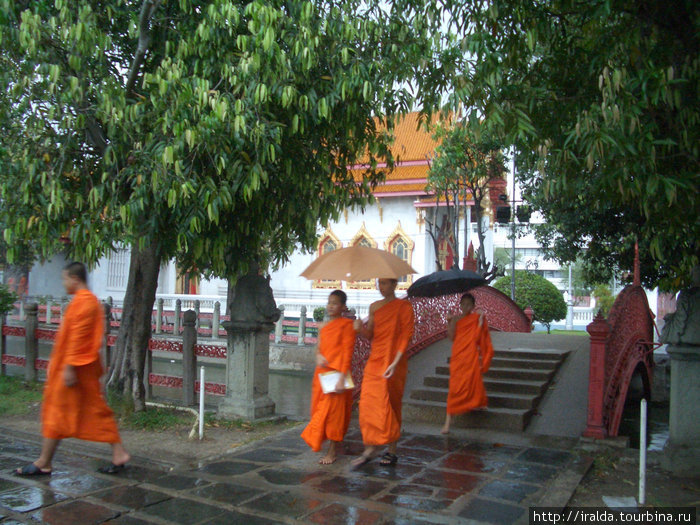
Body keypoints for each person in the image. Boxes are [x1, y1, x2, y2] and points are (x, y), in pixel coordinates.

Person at [15, 262, 130, 476]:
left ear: (75, 279)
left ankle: (44, 461)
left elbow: (79, 338)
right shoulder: (83, 302)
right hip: (76, 368)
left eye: (65, 278)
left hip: (77, 370)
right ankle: (118, 452)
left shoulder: (85, 303)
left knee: (60, 412)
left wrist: (68, 367)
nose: (63, 283)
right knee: (87, 411)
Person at [351, 278, 414, 468]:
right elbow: (371, 335)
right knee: (368, 402)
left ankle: (391, 451)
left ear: (395, 285)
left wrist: (395, 362)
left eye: (386, 283)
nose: (382, 287)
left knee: (391, 404)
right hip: (376, 360)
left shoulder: (404, 307)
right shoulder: (374, 307)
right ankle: (370, 447)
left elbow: (406, 336)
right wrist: (359, 329)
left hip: (394, 361)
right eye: (380, 283)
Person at [301, 290, 357, 464]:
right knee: (319, 411)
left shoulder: (347, 325)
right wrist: (318, 355)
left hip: (337, 374)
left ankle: (332, 452)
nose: (331, 306)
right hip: (322, 374)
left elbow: (347, 352)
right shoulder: (324, 326)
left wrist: (341, 377)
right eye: (329, 302)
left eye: (335, 303)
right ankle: (327, 447)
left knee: (334, 415)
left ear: (342, 306)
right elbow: (319, 348)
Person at [441, 292, 493, 434]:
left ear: (473, 306)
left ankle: (479, 402)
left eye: (469, 304)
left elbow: (478, 337)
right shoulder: (456, 319)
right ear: (460, 305)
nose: (465, 307)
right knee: (455, 387)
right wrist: (449, 321)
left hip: (470, 354)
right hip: (458, 355)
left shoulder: (475, 318)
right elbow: (451, 337)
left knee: (473, 380)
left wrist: (481, 321)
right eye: (463, 304)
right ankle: (447, 423)